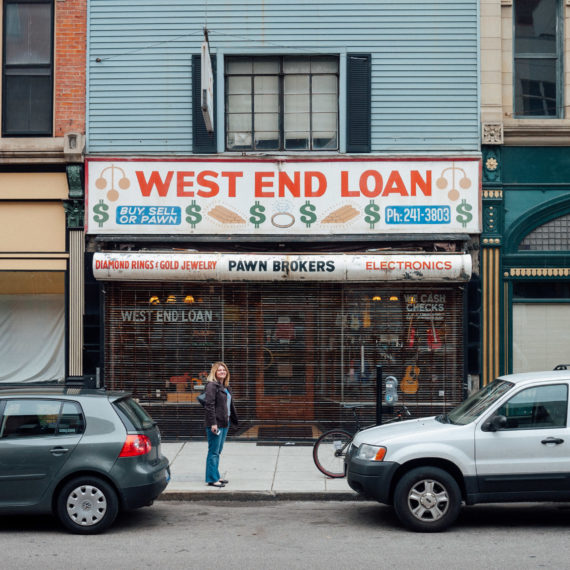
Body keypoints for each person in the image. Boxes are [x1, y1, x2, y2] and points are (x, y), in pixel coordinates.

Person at [203, 361, 238, 487]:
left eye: (224, 370)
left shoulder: (225, 387)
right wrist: (213, 423)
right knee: (213, 451)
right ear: (215, 372)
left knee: (218, 450)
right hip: (216, 424)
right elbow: (209, 406)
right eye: (219, 370)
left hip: (224, 422)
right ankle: (212, 479)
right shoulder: (212, 386)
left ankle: (215, 475)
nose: (222, 371)